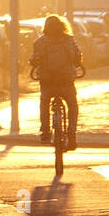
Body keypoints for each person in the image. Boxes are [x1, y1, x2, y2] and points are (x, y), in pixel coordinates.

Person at [30, 14, 82, 150]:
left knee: (44, 103)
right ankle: (71, 134)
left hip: (48, 81)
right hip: (66, 80)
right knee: (72, 105)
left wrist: (35, 63)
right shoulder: (69, 40)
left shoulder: (39, 42)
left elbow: (34, 60)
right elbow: (77, 57)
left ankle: (45, 131)